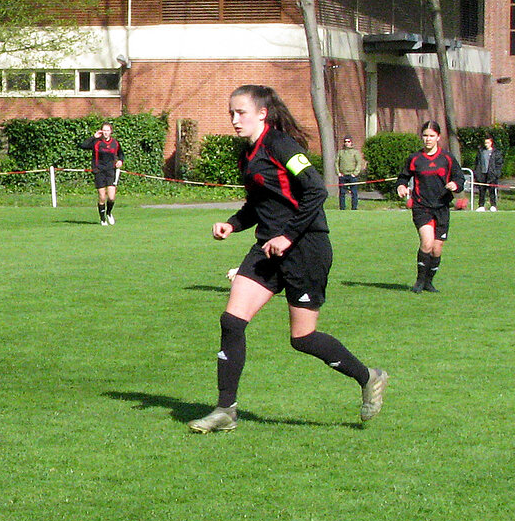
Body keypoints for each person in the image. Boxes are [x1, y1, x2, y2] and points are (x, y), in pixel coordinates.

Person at [189, 85, 388, 434]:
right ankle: (225, 409)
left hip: (306, 249)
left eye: (241, 113)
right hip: (267, 249)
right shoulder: (247, 154)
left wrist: (288, 235)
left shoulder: (281, 145)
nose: (234, 120)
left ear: (262, 113)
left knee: (302, 338)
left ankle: (368, 376)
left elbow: (316, 190)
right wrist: (232, 225)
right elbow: (257, 205)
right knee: (232, 322)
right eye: (231, 113)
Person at [396, 120, 464, 293]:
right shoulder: (415, 159)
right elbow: (403, 177)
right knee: (426, 243)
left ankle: (429, 281)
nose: (428, 139)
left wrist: (455, 185)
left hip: (441, 208)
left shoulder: (447, 158)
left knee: (437, 248)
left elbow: (459, 178)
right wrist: (401, 186)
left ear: (438, 137)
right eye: (425, 135)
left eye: (431, 136)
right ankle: (419, 281)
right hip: (422, 207)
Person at [77, 122, 123, 225]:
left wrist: (120, 161)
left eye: (108, 130)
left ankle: (109, 213)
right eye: (104, 130)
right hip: (99, 171)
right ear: (101, 131)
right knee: (102, 196)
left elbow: (121, 154)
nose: (106, 133)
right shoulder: (96, 142)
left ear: (111, 131)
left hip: (111, 171)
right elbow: (82, 145)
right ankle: (102, 219)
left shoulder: (115, 143)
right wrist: (93, 137)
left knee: (111, 197)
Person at [473, 133, 504, 212]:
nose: (486, 144)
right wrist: (476, 172)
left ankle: (493, 205)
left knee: (492, 190)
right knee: (482, 190)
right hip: (482, 173)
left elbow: (499, 164)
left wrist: (496, 173)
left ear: (491, 143)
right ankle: (481, 205)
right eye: (485, 143)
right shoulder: (481, 152)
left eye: (488, 143)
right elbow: (477, 162)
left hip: (491, 174)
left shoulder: (496, 152)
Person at [335, 135, 365, 210]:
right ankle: (342, 208)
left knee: (354, 193)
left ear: (351, 142)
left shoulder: (355, 152)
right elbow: (336, 162)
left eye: (348, 141)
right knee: (342, 193)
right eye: (345, 142)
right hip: (343, 175)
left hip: (352, 176)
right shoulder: (341, 152)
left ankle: (354, 208)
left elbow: (359, 163)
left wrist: (355, 173)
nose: (347, 143)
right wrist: (338, 172)